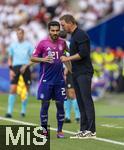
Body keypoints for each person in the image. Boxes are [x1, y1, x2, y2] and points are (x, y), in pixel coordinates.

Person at [60, 14, 96, 138]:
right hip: (76, 72)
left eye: (63, 25)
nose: (62, 27)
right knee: (80, 101)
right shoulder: (74, 36)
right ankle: (83, 128)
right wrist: (68, 65)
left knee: (86, 100)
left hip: (84, 72)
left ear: (70, 22)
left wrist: (68, 57)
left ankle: (91, 130)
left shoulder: (81, 34)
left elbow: (83, 53)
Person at [31, 21, 68, 138]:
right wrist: (44, 59)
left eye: (57, 30)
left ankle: (60, 131)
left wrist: (70, 70)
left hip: (60, 81)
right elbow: (32, 58)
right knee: (45, 105)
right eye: (53, 30)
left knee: (60, 105)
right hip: (46, 80)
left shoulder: (63, 43)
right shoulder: (42, 43)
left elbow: (67, 57)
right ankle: (44, 131)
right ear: (49, 30)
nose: (55, 33)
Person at [6, 28, 34, 118]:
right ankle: (9, 112)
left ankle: (23, 110)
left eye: (21, 34)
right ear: (16, 35)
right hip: (15, 68)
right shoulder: (13, 45)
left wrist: (26, 66)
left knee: (25, 89)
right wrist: (10, 69)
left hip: (25, 67)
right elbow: (10, 58)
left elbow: (34, 58)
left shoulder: (29, 45)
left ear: (23, 34)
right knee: (12, 89)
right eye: (18, 34)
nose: (19, 35)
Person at [59, 30, 80, 123]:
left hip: (68, 71)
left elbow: (70, 59)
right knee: (66, 95)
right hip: (62, 71)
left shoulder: (68, 45)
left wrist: (66, 71)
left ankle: (77, 116)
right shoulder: (60, 45)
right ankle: (67, 117)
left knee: (72, 93)